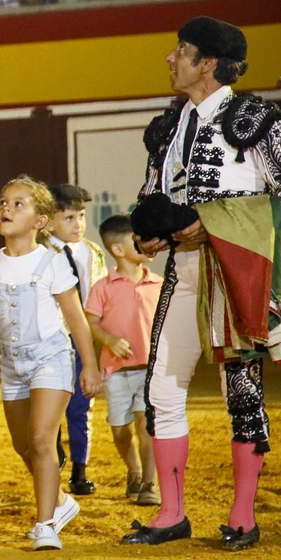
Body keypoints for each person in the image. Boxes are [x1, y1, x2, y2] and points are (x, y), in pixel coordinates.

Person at [126, 17, 281, 550]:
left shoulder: (258, 120)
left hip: (237, 273)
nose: (169, 58)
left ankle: (242, 516)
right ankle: (170, 512)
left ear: (207, 63)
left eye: (179, 51)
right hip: (182, 272)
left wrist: (210, 226)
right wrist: (151, 235)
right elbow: (150, 196)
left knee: (244, 393)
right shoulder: (167, 126)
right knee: (160, 385)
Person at [0, 177, 102, 551]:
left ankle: (45, 523)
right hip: (12, 365)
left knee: (41, 439)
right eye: (2, 202)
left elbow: (76, 318)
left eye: (19, 204)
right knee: (22, 444)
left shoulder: (52, 263)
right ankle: (61, 501)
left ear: (40, 221)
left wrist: (89, 365)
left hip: (51, 359)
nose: (6, 209)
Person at [85, 214, 162, 507]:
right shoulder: (103, 287)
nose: (147, 242)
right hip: (115, 372)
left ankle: (149, 484)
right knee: (120, 430)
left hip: (148, 370)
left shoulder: (158, 283)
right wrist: (109, 340)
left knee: (146, 425)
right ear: (118, 250)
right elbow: (90, 322)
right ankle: (133, 470)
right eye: (138, 239)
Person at [47, 184, 110, 495]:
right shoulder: (41, 252)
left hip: (81, 337)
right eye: (69, 217)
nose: (78, 224)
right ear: (48, 220)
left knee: (80, 405)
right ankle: (54, 453)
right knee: (50, 402)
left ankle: (79, 469)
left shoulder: (92, 251)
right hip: (51, 337)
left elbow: (98, 298)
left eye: (81, 216)